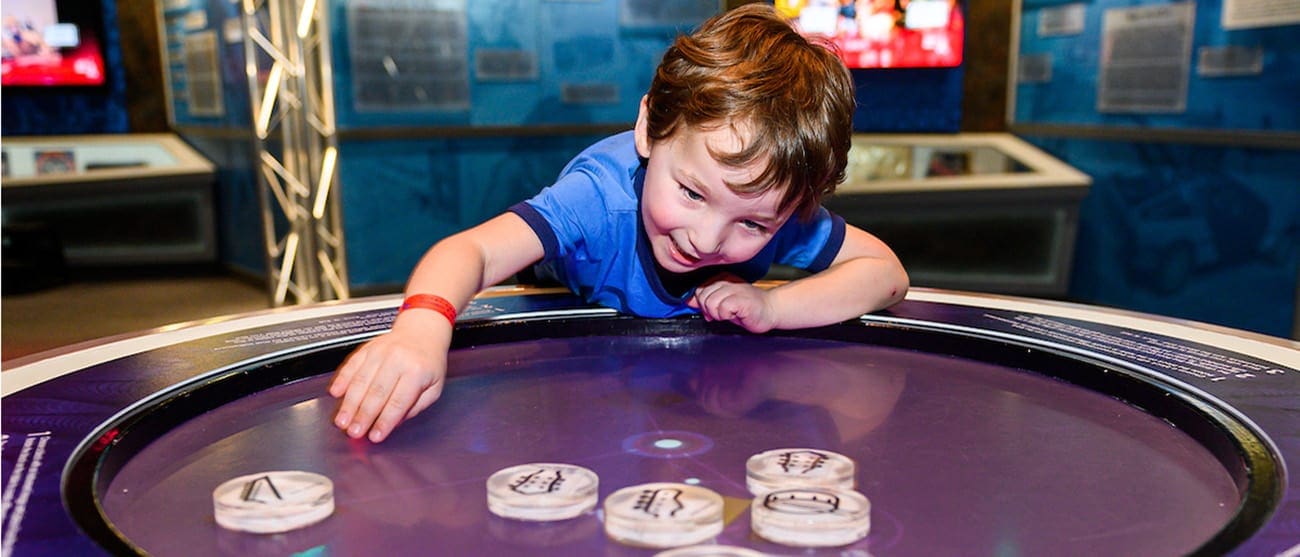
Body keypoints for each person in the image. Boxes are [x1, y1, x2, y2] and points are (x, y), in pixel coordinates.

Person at [329, 3, 909, 443]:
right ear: (650, 130)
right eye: (690, 192)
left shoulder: (774, 203)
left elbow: (885, 273)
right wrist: (420, 331)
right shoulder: (596, 200)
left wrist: (774, 308)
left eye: (753, 227)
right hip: (560, 361)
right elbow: (471, 252)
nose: (707, 240)